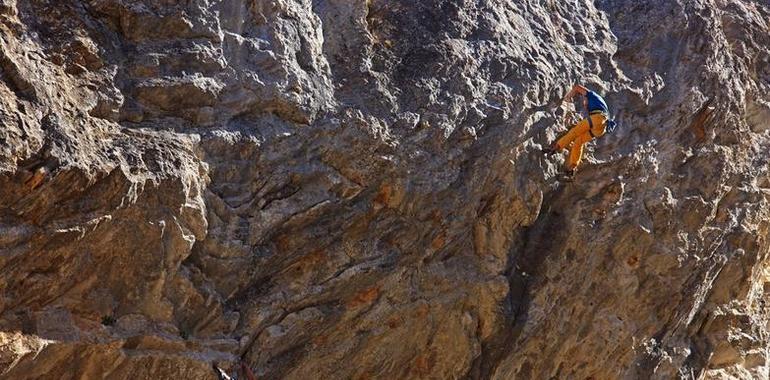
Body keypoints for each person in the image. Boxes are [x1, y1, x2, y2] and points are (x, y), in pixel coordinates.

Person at [542, 84, 611, 177]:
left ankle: (555, 148)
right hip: (601, 128)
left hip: (598, 118)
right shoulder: (599, 103)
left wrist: (568, 96)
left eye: (584, 98)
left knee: (574, 133)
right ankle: (572, 168)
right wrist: (586, 106)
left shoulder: (591, 94)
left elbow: (577, 87)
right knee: (578, 142)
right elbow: (592, 113)